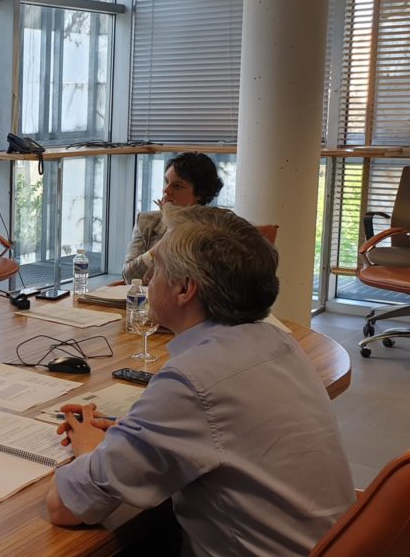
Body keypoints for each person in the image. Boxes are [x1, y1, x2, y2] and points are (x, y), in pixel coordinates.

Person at [46, 205, 355, 556]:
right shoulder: (279, 341)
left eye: (157, 267)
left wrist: (92, 447)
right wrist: (130, 435)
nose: (147, 280)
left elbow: (65, 507)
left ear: (185, 289)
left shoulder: (194, 380)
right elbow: (222, 431)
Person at [122, 152, 223, 283]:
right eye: (166, 182)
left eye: (177, 186)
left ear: (200, 194)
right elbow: (129, 277)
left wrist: (176, 228)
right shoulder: (147, 222)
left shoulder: (214, 229)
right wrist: (168, 235)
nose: (166, 190)